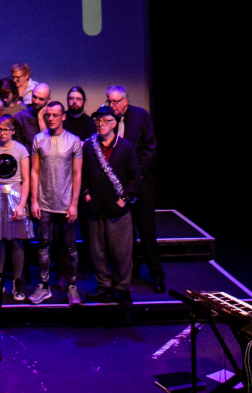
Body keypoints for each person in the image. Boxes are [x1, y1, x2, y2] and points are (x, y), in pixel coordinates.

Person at [105, 85, 164, 293]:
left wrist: (134, 175)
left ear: (125, 101)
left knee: (146, 230)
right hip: (118, 185)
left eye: (115, 101)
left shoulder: (141, 116)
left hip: (140, 182)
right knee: (123, 231)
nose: (111, 105)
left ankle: (157, 274)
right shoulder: (108, 119)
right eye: (109, 101)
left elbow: (150, 148)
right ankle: (128, 272)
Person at [81, 105, 139, 306]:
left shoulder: (125, 147)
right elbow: (83, 175)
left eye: (104, 120)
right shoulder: (89, 146)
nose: (99, 124)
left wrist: (123, 200)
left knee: (121, 251)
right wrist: (87, 196)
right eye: (97, 120)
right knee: (97, 251)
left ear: (114, 123)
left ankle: (123, 288)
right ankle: (103, 286)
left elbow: (134, 178)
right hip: (95, 208)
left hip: (117, 210)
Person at [29, 102, 83, 306]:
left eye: (54, 115)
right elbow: (34, 171)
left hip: (66, 201)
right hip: (44, 202)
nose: (50, 118)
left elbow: (77, 174)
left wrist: (74, 203)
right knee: (43, 245)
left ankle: (72, 286)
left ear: (63, 117)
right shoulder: (38, 139)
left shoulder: (73, 141)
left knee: (70, 247)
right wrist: (34, 201)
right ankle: (43, 286)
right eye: (48, 115)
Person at [0, 116, 34, 300]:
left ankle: (18, 282)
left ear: (12, 130)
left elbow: (26, 179)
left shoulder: (20, 150)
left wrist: (22, 205)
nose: (2, 133)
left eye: (6, 129)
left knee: (17, 241)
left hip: (15, 196)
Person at [12, 83, 50, 151]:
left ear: (48, 100)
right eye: (34, 97)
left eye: (41, 99)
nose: (36, 101)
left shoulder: (52, 117)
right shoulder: (20, 117)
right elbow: (18, 147)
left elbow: (48, 145)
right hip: (27, 159)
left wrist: (40, 118)